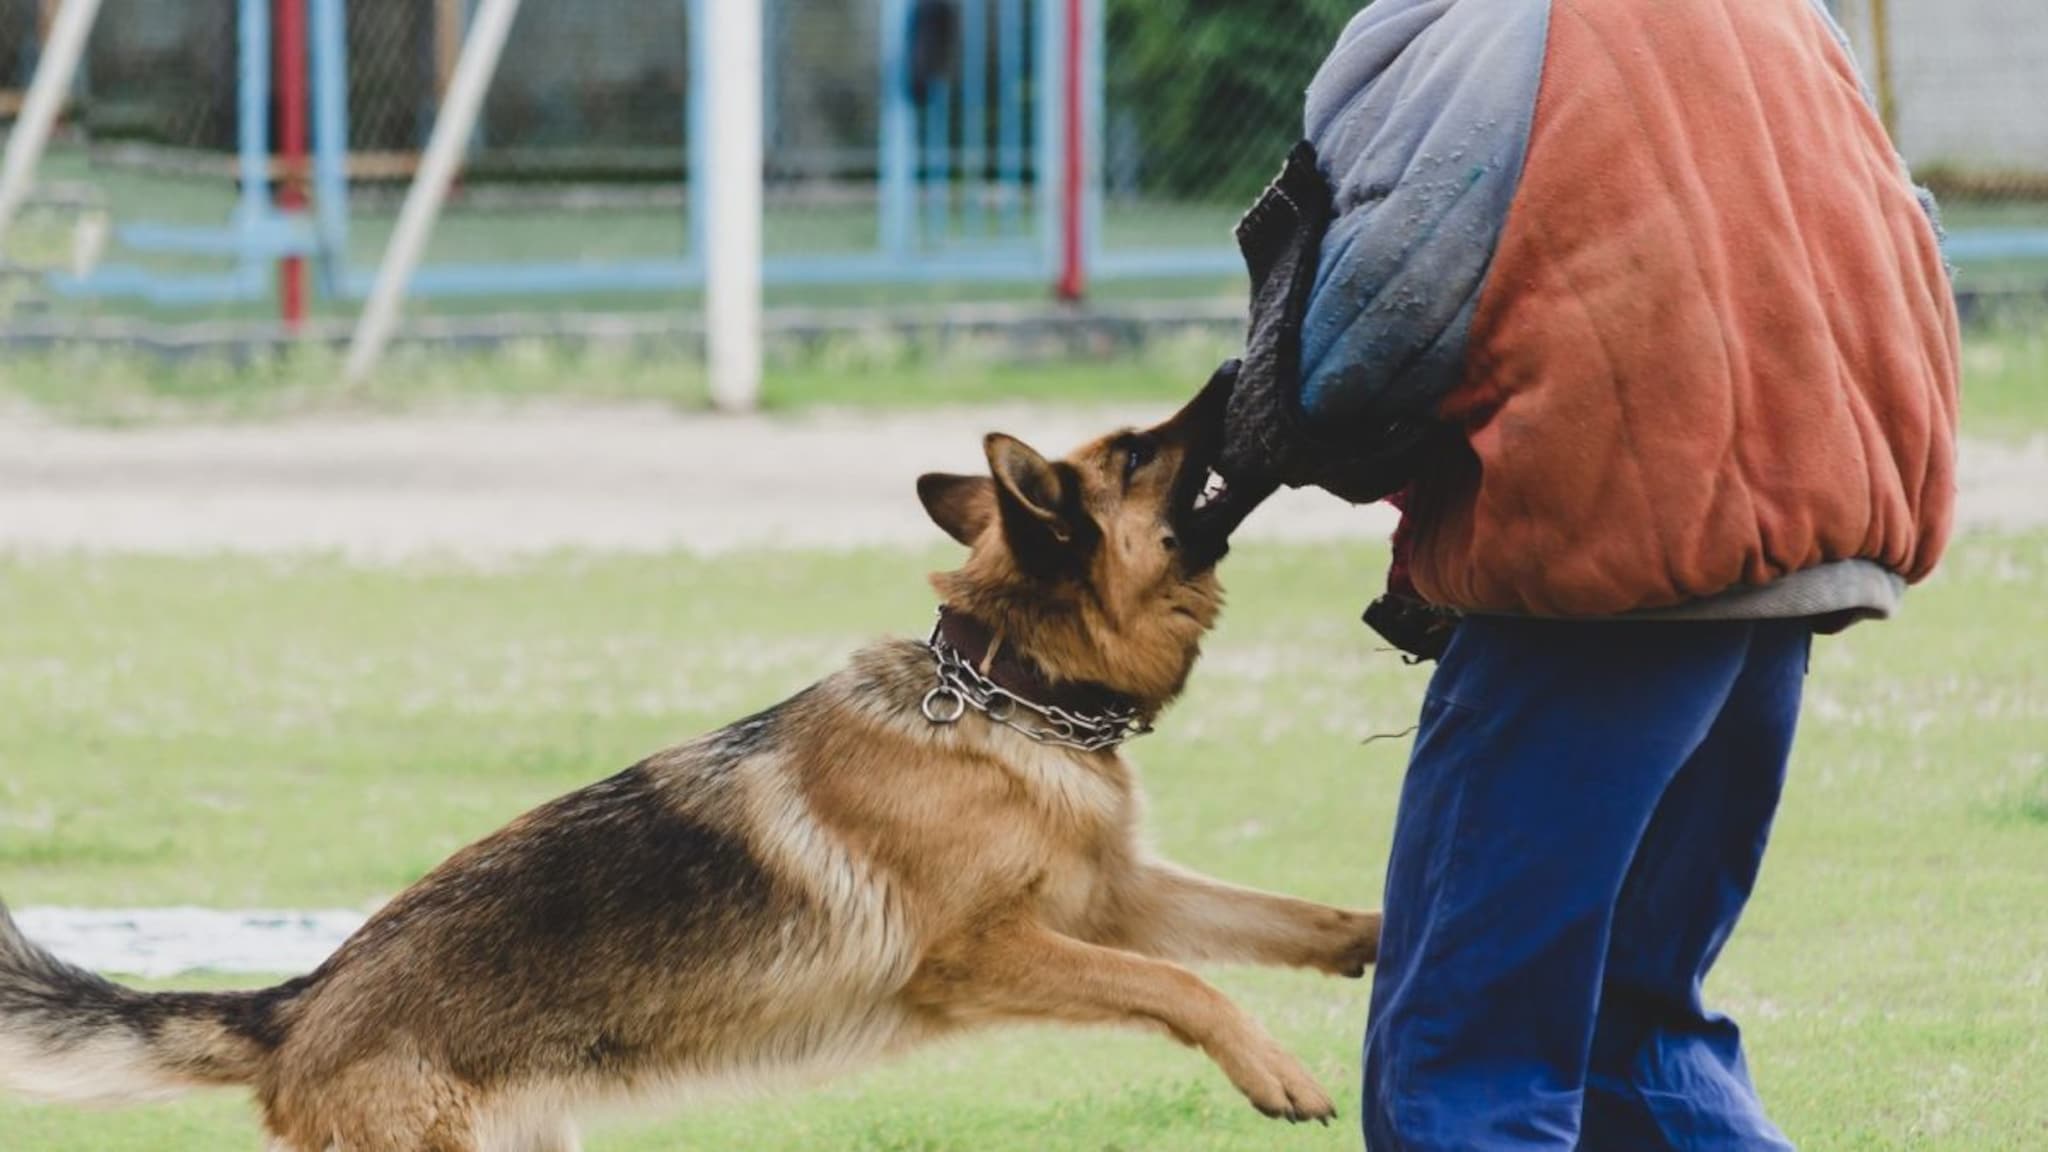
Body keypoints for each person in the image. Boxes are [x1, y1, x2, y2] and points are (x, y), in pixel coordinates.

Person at [1212, 0, 1961, 1148]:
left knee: (1463, 1062)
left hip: (1603, 568)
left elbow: (1368, 334)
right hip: (1799, 545)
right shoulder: (1782, 16)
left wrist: (1283, 437)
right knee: (1636, 1042)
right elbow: (1901, 228)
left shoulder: (1498, 29)